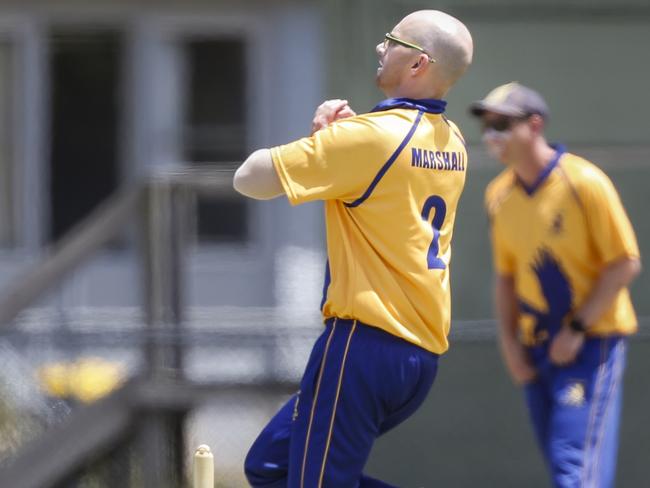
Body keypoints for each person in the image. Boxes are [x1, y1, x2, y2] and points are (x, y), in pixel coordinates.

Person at [234, 10, 473, 487]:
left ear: (418, 63)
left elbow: (248, 179)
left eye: (392, 40)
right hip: (417, 357)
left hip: (364, 344)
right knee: (269, 467)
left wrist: (322, 137)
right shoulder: (454, 141)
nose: (380, 48)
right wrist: (334, 144)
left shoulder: (372, 135)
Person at [472, 82, 642, 488]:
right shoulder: (498, 195)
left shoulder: (584, 183)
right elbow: (506, 277)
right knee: (566, 467)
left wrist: (576, 329)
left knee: (573, 467)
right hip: (537, 350)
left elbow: (625, 263)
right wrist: (510, 346)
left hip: (589, 346)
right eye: (487, 125)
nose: (491, 135)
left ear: (535, 125)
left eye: (502, 123)